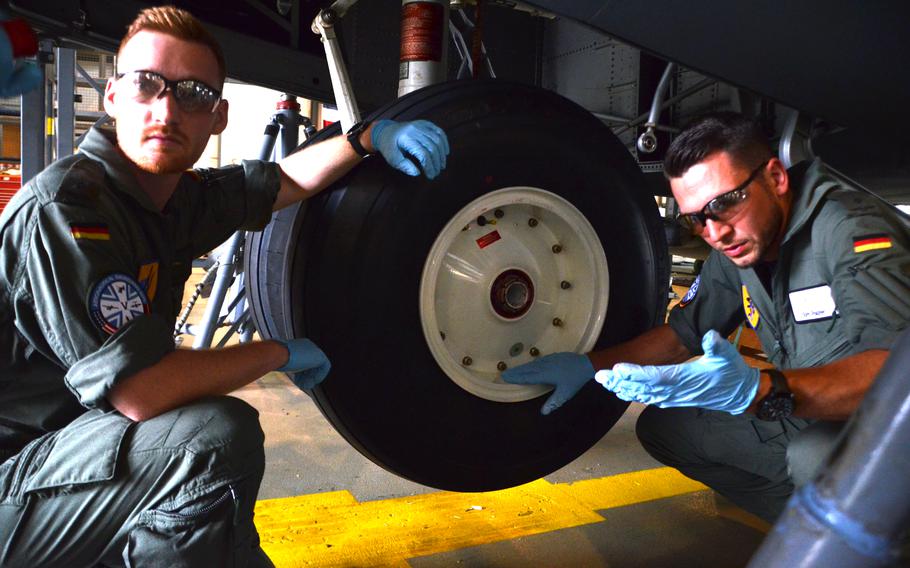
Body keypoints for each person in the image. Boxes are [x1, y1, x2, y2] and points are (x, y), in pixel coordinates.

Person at [0, 6, 448, 566]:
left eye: (190, 93)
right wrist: (275, 352)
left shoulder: (172, 200)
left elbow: (284, 180)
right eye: (147, 85)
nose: (166, 109)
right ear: (113, 97)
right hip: (14, 477)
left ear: (218, 117)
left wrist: (369, 137)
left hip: (71, 456)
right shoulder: (68, 209)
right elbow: (143, 392)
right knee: (208, 437)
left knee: (195, 494)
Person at [504, 112, 910, 523]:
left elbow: (899, 381)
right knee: (668, 431)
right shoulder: (739, 247)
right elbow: (685, 334)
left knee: (814, 458)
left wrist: (758, 391)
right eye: (696, 219)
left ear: (776, 178)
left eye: (723, 205)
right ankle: (815, 532)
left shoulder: (850, 233)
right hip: (809, 404)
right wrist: (590, 365)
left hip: (891, 421)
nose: (714, 232)